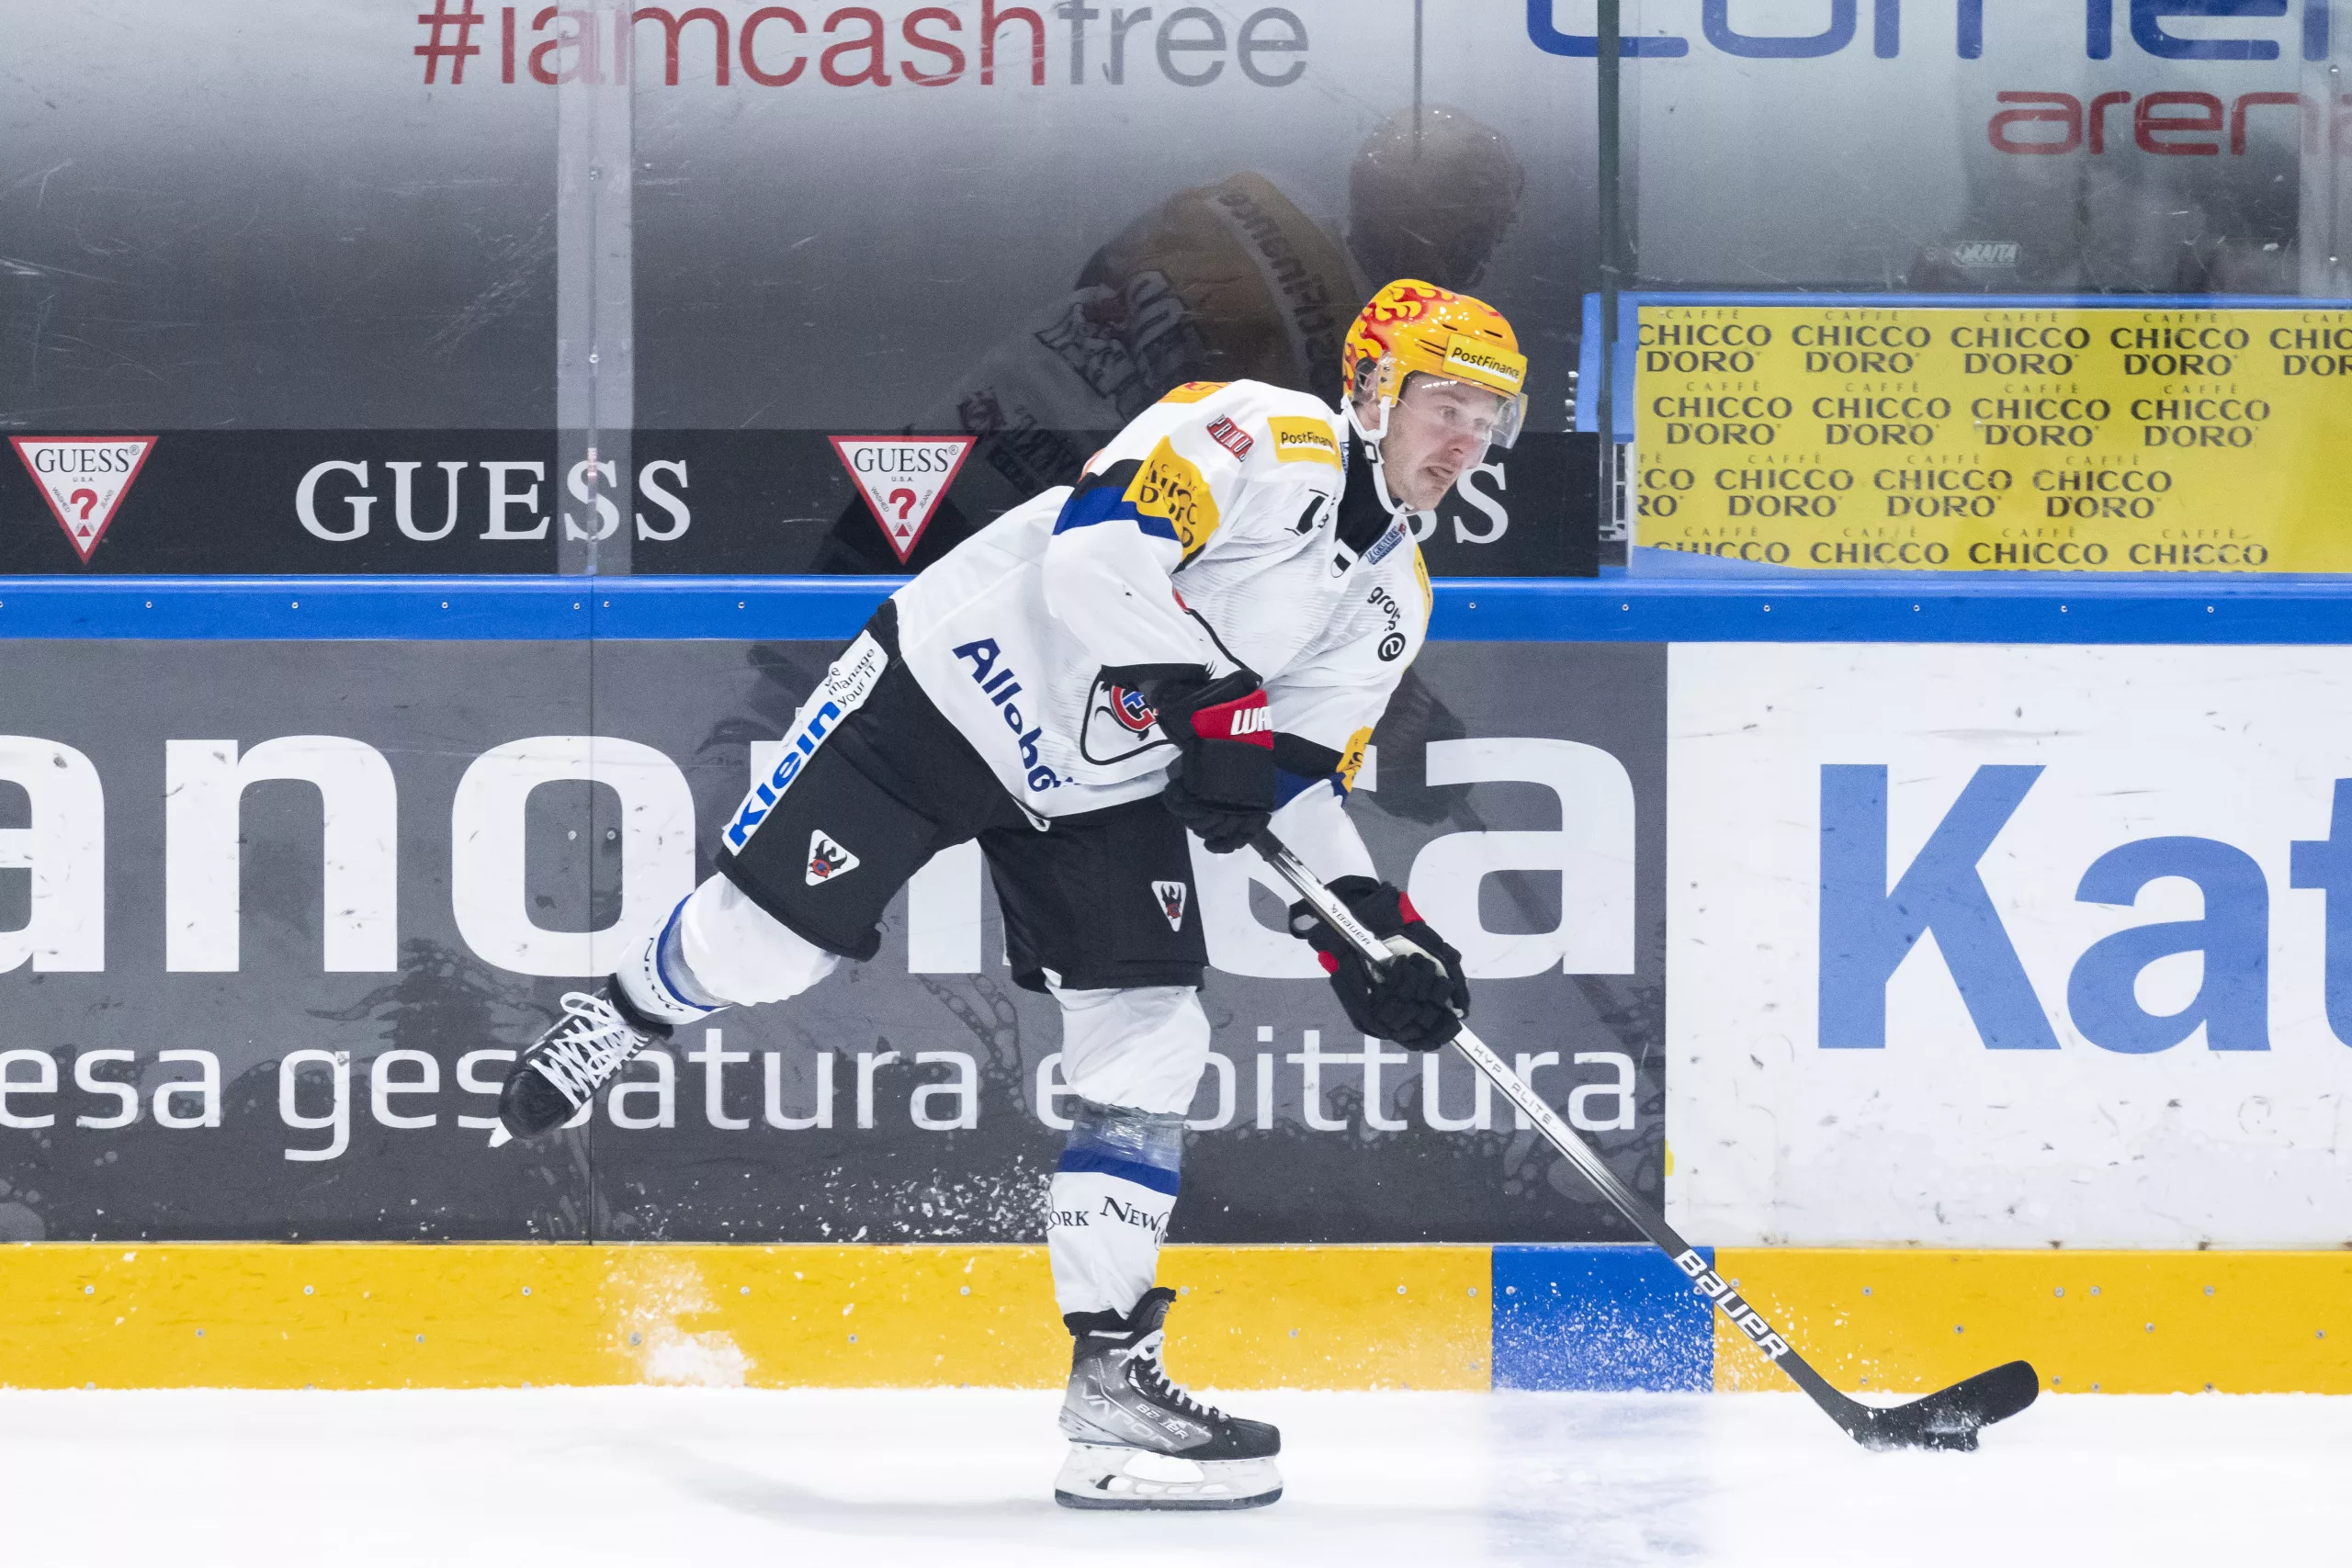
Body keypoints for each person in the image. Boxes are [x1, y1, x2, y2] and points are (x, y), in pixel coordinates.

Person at [493, 279, 1529, 1511]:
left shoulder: (1395, 597)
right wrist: (1214, 712)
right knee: (769, 951)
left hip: (1101, 791)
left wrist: (1368, 924)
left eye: (1489, 418)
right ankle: (629, 1006)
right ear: (1369, 389)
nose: (1465, 439)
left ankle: (1112, 1392)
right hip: (944, 693)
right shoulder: (1261, 432)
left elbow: (1287, 782)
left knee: (1154, 1036)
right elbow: (1096, 560)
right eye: (1445, 403)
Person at [811, 106, 1525, 570]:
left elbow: (1099, 270)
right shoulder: (1360, 365)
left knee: (806, 677)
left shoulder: (1245, 194)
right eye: (1478, 225)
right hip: (1040, 530)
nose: (1483, 250)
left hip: (956, 441)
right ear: (1425, 214)